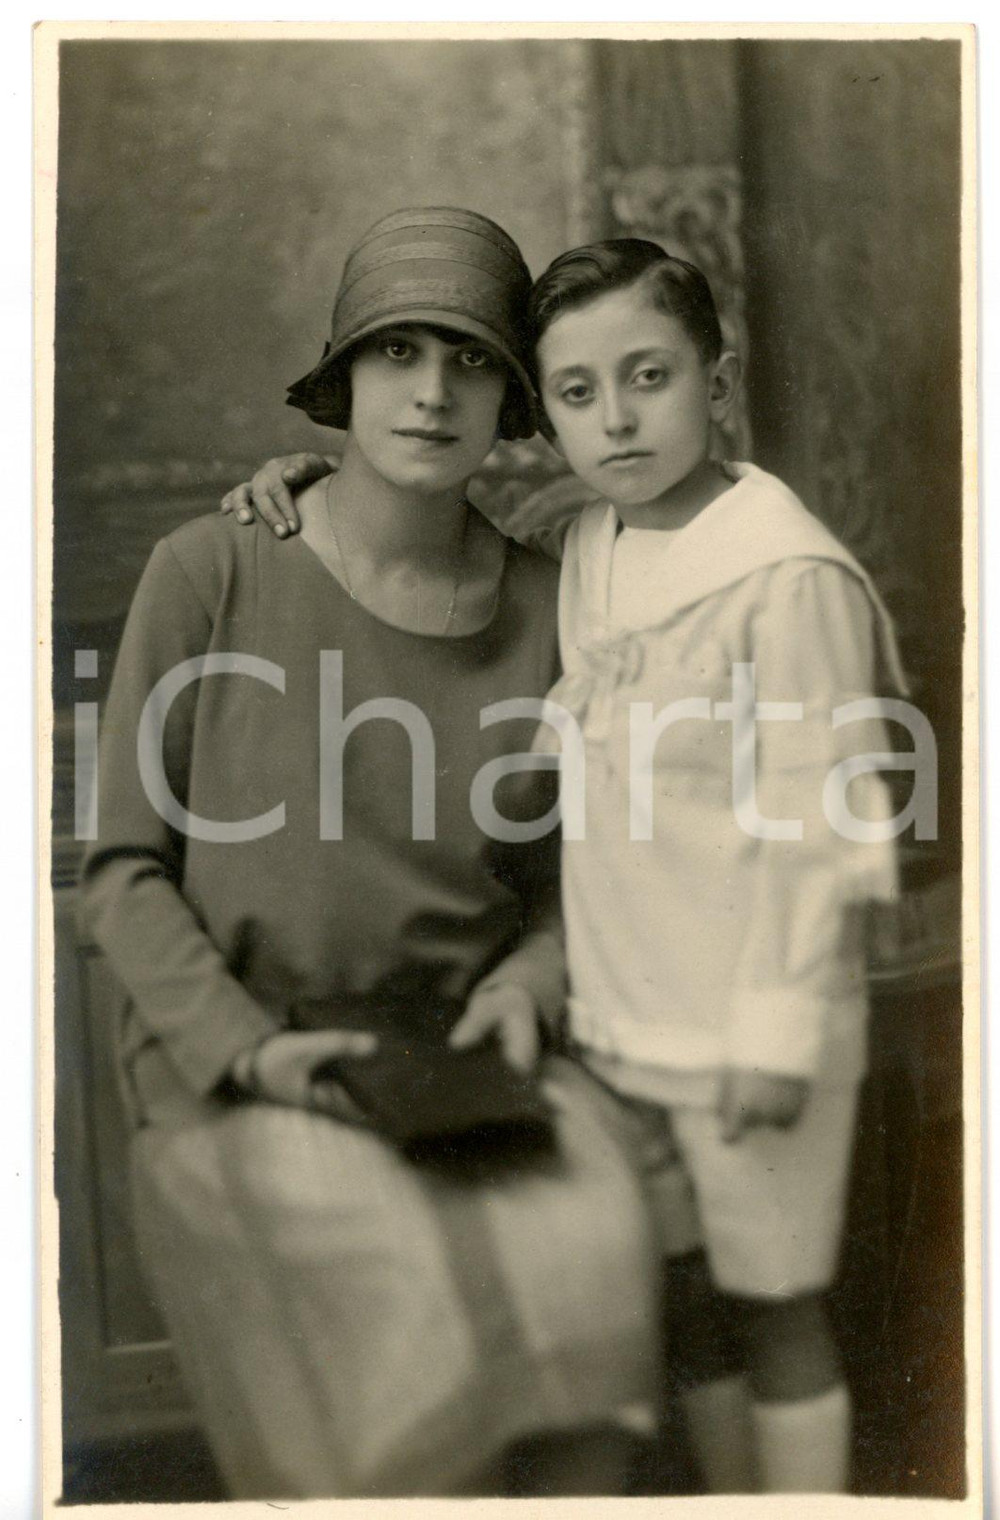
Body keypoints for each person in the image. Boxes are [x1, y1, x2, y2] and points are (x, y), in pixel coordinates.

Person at [232, 236, 907, 1495]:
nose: (618, 418)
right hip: (625, 1006)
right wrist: (301, 476)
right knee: (685, 1299)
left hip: (750, 1018)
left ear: (718, 375)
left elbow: (823, 821)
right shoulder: (594, 542)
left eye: (648, 376)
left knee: (774, 1304)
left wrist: (773, 1027)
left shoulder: (781, 567)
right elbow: (421, 535)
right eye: (581, 393)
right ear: (550, 416)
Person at [78, 208, 661, 1501]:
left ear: (513, 396)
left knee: (599, 1236)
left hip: (456, 1061)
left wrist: (525, 988)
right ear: (343, 378)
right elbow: (120, 869)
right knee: (400, 1290)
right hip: (239, 1067)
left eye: (469, 361)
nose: (433, 391)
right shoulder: (212, 571)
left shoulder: (548, 608)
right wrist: (251, 1050)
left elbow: (577, 893)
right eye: (399, 352)